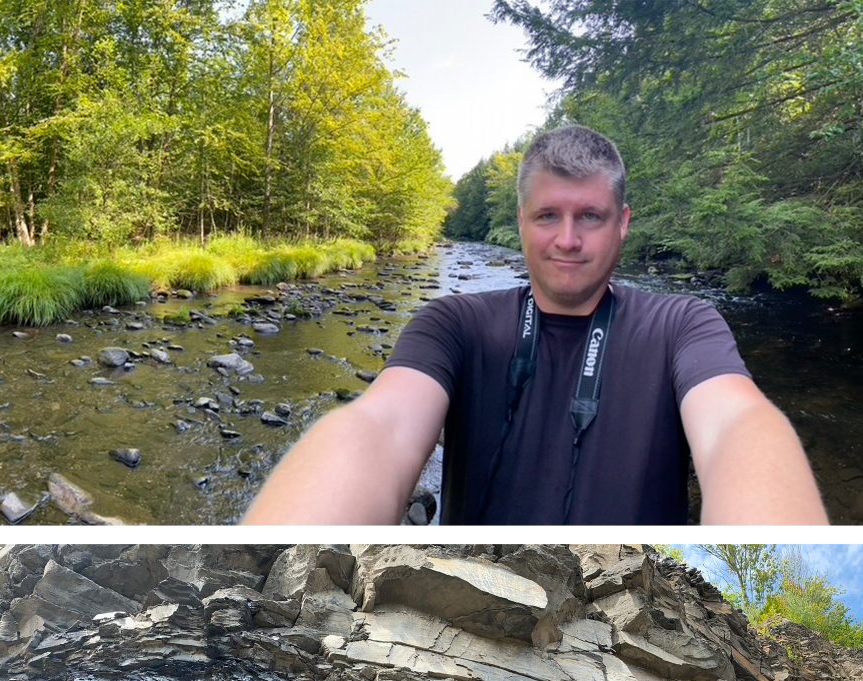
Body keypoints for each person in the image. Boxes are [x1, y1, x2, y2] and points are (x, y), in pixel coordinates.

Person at [243, 125, 826, 527]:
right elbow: (381, 427)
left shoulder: (682, 324)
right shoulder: (454, 324)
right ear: (521, 220)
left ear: (622, 224)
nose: (568, 240)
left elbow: (737, 426)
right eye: (549, 215)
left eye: (590, 217)